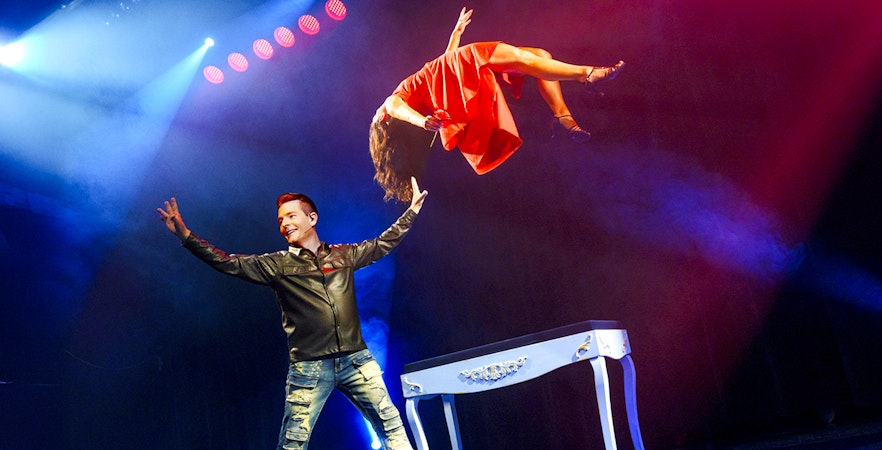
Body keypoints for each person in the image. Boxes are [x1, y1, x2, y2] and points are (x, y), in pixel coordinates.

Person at [157, 177, 428, 450]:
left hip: (356, 361)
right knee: (292, 444)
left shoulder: (343, 255)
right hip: (309, 368)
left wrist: (412, 210)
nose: (284, 224)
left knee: (393, 428)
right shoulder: (277, 265)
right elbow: (227, 262)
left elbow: (382, 243)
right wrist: (186, 238)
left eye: (291, 216)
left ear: (312, 218)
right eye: (280, 221)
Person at [370, 7, 625, 202]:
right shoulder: (391, 107)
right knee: (523, 58)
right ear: (382, 121)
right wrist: (423, 121)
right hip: (459, 66)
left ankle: (563, 118)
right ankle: (587, 74)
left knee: (539, 57)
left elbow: (439, 68)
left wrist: (455, 33)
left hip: (452, 71)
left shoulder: (410, 96)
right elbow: (395, 107)